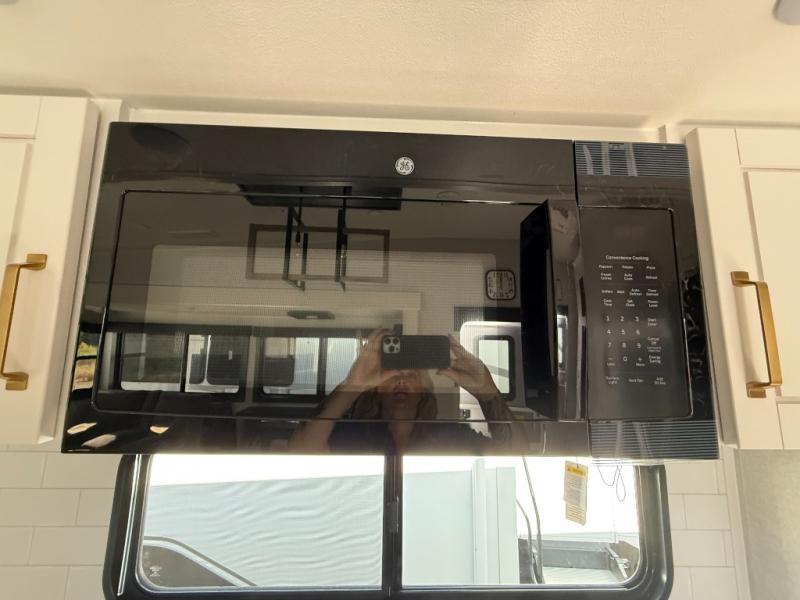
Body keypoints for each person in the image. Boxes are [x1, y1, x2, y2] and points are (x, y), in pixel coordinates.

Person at [289, 329, 528, 454]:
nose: (402, 381)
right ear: (377, 388)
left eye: (411, 375)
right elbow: (300, 451)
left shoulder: (451, 436)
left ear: (424, 389)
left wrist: (487, 392)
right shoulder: (354, 434)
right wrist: (351, 387)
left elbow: (517, 452)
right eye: (393, 374)